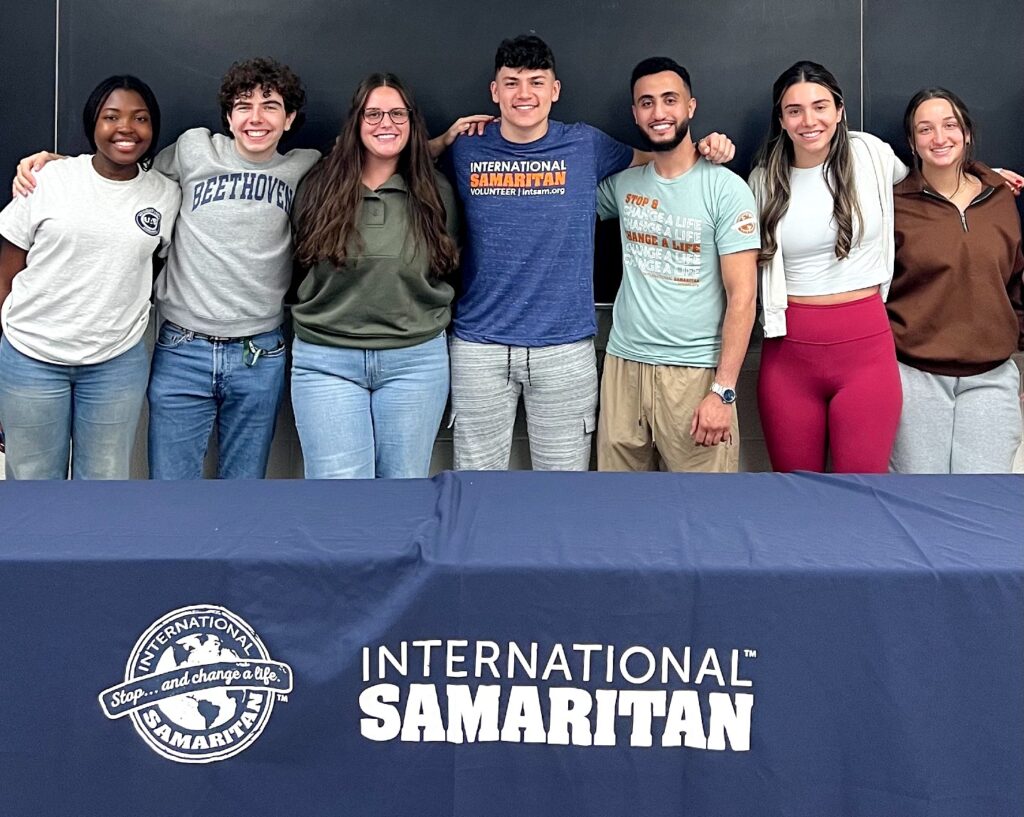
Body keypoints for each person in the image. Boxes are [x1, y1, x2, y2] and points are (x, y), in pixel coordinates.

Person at [430, 34, 734, 472]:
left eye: (536, 82)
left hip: (565, 347)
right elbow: (393, 159)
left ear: (555, 90)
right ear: (495, 91)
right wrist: (442, 140)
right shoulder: (466, 147)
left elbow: (662, 158)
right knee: (476, 484)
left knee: (565, 489)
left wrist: (708, 148)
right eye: (512, 83)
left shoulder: (585, 145)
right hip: (480, 346)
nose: (524, 94)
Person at [14, 58, 320, 479]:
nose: (256, 118)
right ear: (228, 117)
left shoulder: (306, 168)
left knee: (245, 487)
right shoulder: (193, 149)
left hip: (259, 352)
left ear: (289, 119)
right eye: (243, 105)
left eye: (270, 106)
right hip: (183, 348)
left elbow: (368, 163)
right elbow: (123, 175)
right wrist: (59, 165)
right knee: (170, 491)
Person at [0, 75, 180, 479]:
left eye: (140, 118)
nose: (126, 128)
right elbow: (6, 272)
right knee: (31, 479)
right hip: (31, 357)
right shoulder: (46, 179)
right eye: (111, 116)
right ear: (92, 123)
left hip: (115, 362)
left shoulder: (165, 194)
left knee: (103, 482)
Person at [289, 74, 459, 478]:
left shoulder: (436, 192)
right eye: (374, 114)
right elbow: (298, 262)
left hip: (415, 361)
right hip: (327, 359)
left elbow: (449, 263)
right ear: (356, 121)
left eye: (398, 114)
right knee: (340, 497)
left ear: (412, 122)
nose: (387, 123)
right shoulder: (317, 187)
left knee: (401, 493)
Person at [596, 58, 759, 472]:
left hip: (696, 373)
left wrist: (723, 391)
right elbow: (559, 202)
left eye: (670, 100)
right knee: (618, 502)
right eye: (646, 102)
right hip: (624, 366)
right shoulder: (622, 184)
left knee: (703, 505)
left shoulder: (726, 189)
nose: (659, 112)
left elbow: (743, 297)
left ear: (690, 106)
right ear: (635, 114)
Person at [749, 61, 906, 473]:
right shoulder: (763, 182)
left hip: (866, 351)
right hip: (789, 356)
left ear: (839, 110)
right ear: (781, 120)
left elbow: (928, 183)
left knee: (864, 488)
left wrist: (981, 176)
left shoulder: (870, 154)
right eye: (794, 110)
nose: (809, 121)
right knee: (795, 491)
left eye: (820, 106)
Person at [887, 88, 1024, 473]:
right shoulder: (894, 205)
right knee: (917, 495)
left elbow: (1016, 282)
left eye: (950, 125)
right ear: (912, 142)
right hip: (915, 377)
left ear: (966, 132)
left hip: (992, 377)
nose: (939, 138)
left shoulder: (1000, 197)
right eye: (925, 129)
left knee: (981, 497)